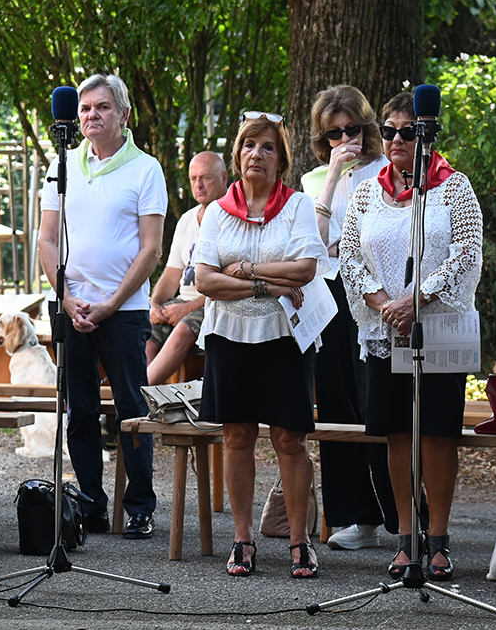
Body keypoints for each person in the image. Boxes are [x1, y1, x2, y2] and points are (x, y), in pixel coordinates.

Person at [340, 91, 483, 581]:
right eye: (388, 130)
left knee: (437, 432)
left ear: (425, 134)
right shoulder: (365, 192)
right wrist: (384, 302)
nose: (396, 139)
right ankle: (406, 536)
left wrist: (417, 298)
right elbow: (351, 256)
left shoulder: (453, 187)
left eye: (406, 131)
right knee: (397, 431)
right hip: (387, 328)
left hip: (438, 325)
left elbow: (467, 252)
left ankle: (439, 538)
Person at [193, 112, 326, 578]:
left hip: (286, 339)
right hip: (229, 336)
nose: (257, 154)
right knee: (236, 436)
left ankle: (299, 540)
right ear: (237, 155)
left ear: (281, 160)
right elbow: (206, 280)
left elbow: (305, 269)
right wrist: (269, 285)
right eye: (250, 145)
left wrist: (245, 272)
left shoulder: (297, 207)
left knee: (290, 438)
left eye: (268, 147)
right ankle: (243, 539)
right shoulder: (216, 212)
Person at [37, 74, 166, 540]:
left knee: (131, 408)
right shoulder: (62, 167)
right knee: (80, 410)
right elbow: (47, 240)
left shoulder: (145, 169)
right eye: (86, 107)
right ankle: (90, 503)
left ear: (124, 114)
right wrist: (66, 298)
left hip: (124, 311)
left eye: (103, 107)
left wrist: (111, 304)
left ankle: (140, 506)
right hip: (73, 310)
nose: (92, 115)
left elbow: (151, 248)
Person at [301, 85, 396, 550]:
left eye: (352, 130)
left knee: (378, 401)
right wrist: (334, 175)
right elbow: (315, 246)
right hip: (329, 295)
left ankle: (401, 513)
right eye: (334, 133)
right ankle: (357, 515)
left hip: (376, 296)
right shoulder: (313, 181)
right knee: (336, 403)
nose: (345, 139)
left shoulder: (388, 172)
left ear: (367, 128)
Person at [145, 151, 227, 385]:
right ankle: (144, 392)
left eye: (206, 178)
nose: (198, 185)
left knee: (183, 329)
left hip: (216, 305)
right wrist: (155, 303)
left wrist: (190, 307)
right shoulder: (187, 220)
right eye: (193, 178)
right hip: (184, 302)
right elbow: (172, 275)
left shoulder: (231, 219)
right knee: (146, 327)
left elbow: (228, 283)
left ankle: (140, 396)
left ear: (224, 178)